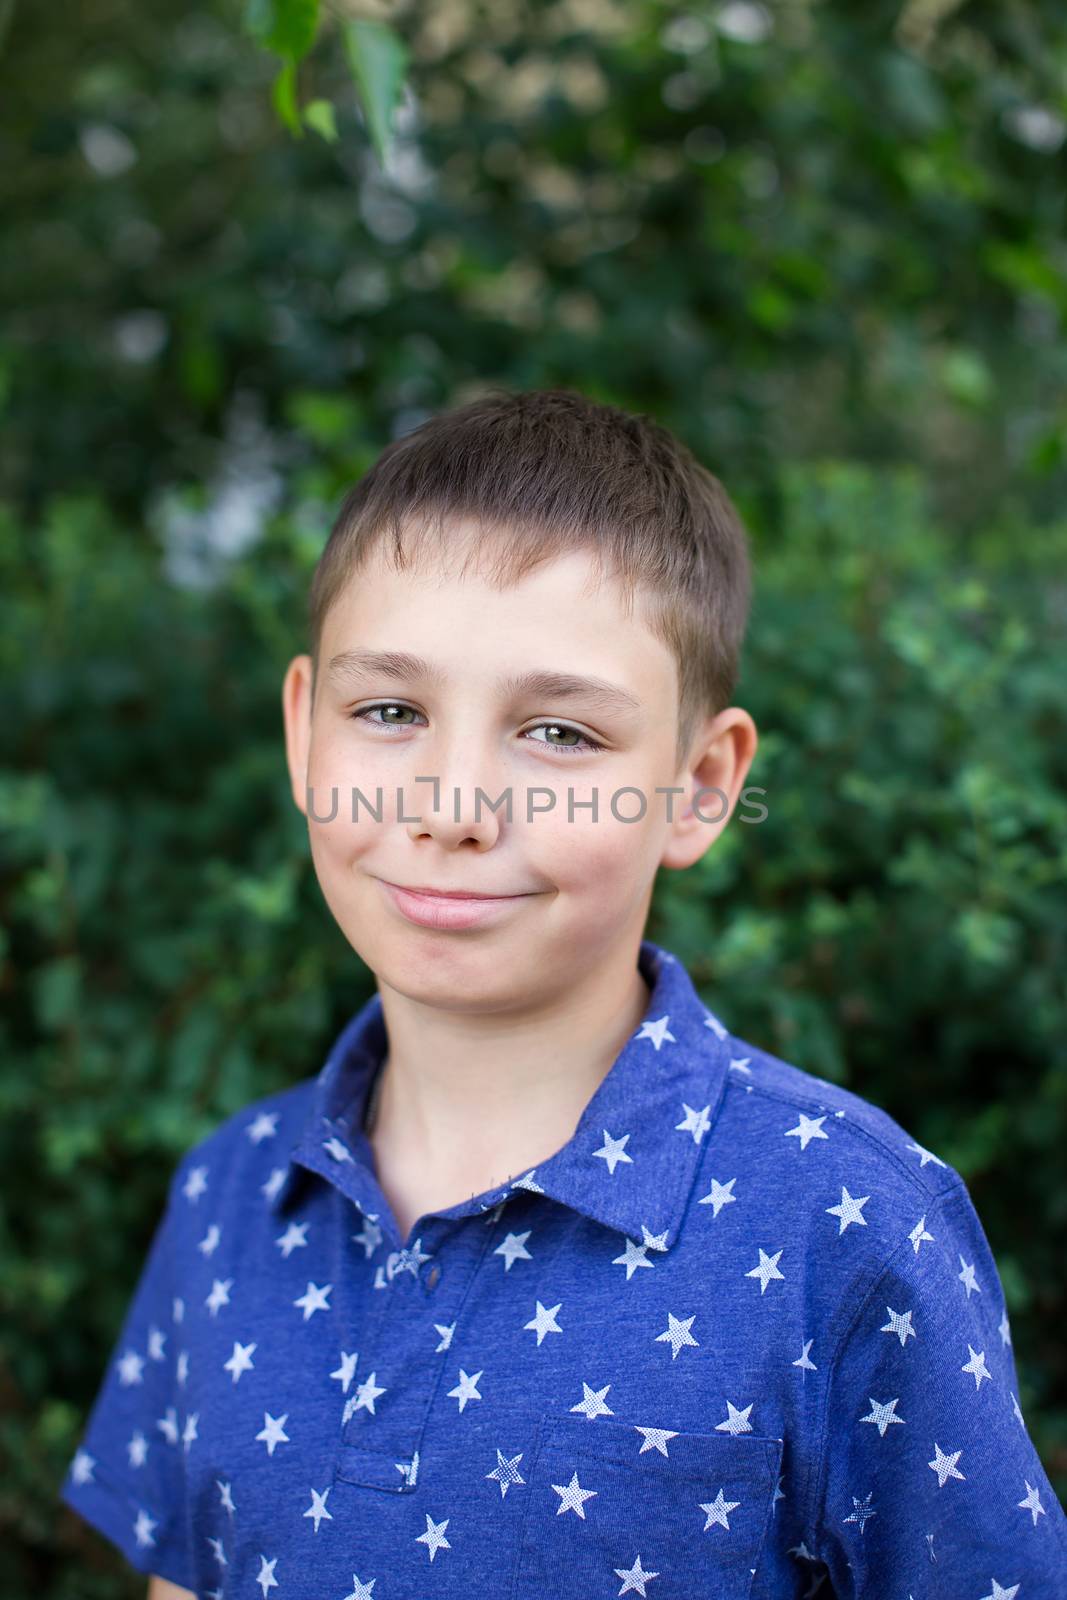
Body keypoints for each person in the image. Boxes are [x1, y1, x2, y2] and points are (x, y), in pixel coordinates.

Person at [60, 388, 1066, 1599]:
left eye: (557, 735)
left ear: (697, 786)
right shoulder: (231, 1193)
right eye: (387, 711)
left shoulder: (845, 1224)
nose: (451, 807)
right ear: (301, 734)